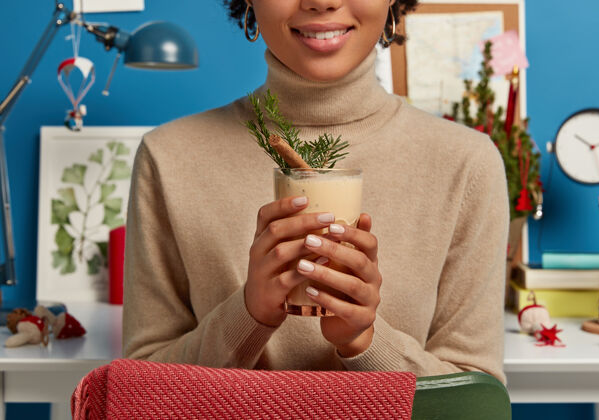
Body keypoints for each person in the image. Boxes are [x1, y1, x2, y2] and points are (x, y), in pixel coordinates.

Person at [123, 0, 509, 384]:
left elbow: (474, 405)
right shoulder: (167, 158)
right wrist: (247, 316)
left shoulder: (467, 165)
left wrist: (365, 342)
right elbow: (137, 390)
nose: (323, 1)